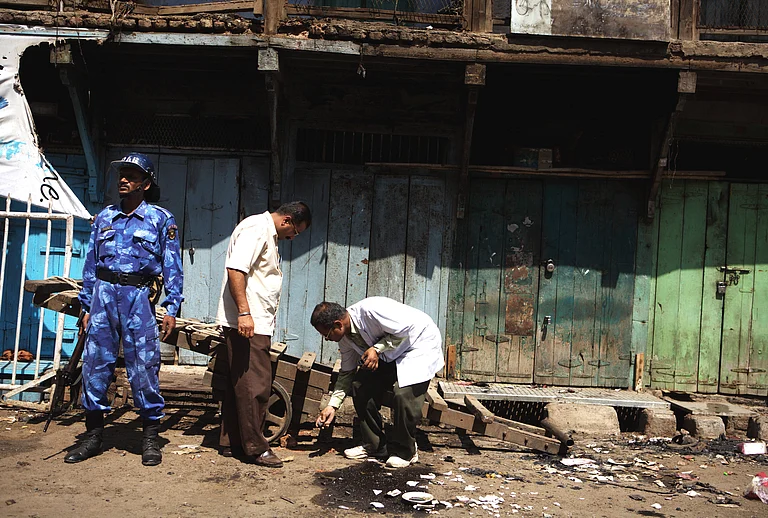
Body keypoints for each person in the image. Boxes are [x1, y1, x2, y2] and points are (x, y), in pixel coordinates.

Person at [66, 152, 183, 466]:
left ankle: (149, 437)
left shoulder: (161, 219)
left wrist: (171, 307)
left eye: (131, 175)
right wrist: (87, 305)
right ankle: (92, 436)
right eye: (121, 173)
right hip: (103, 296)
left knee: (144, 367)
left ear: (146, 183)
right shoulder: (104, 218)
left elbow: (173, 267)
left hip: (138, 296)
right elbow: (90, 264)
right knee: (94, 366)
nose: (123, 179)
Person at [215, 201, 311, 467]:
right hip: (249, 322)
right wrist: (244, 314)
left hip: (253, 320)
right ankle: (256, 448)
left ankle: (231, 441)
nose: (293, 238)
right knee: (256, 385)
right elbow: (236, 269)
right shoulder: (257, 228)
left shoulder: (264, 231)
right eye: (295, 232)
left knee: (241, 382)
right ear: (287, 220)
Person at [310, 297, 445, 468]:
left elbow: (407, 330)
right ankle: (374, 445)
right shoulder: (345, 338)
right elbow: (347, 373)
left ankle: (406, 451)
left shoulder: (372, 310)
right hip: (390, 355)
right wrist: (332, 406)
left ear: (338, 324)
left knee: (403, 394)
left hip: (418, 345)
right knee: (360, 385)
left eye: (326, 335)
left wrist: (376, 349)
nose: (327, 340)